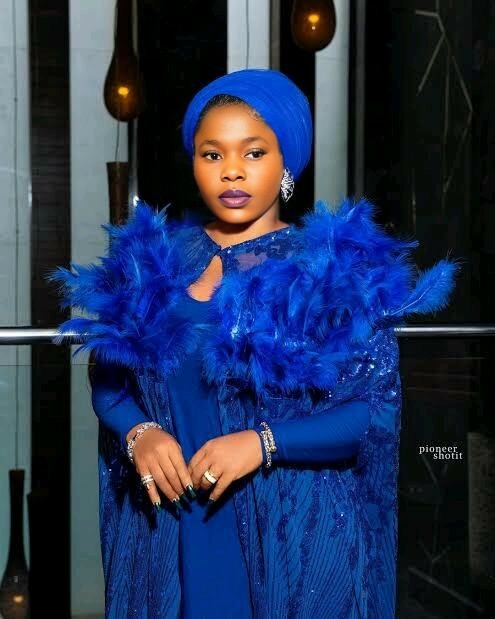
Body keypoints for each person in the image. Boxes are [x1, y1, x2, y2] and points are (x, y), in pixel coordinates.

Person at [48, 68, 458, 618]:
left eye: (254, 152)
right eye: (212, 154)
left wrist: (262, 443)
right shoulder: (153, 261)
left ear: (287, 163)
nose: (232, 170)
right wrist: (139, 432)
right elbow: (108, 377)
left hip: (289, 533)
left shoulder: (331, 271)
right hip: (171, 526)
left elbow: (371, 414)